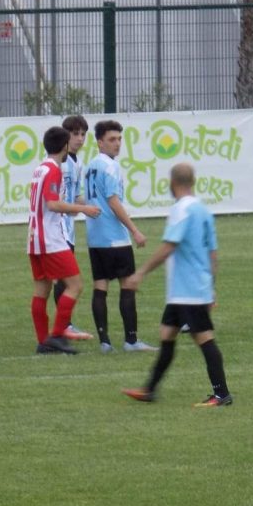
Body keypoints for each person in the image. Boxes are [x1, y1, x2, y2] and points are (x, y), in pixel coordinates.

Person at [122, 162, 232, 408]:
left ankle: (222, 394)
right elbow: (212, 253)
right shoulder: (203, 211)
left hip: (188, 290)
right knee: (167, 334)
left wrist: (140, 273)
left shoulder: (180, 209)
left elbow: (169, 246)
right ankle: (150, 389)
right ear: (193, 182)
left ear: (172, 184)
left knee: (204, 339)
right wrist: (211, 285)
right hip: (188, 290)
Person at [28, 126, 102, 355]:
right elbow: (53, 204)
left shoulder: (40, 168)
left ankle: (43, 342)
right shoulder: (54, 170)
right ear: (65, 146)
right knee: (76, 285)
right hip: (51, 239)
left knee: (42, 289)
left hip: (34, 239)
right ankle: (58, 335)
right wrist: (83, 208)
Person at [83, 119, 154, 353]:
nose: (117, 144)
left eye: (120, 139)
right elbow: (113, 201)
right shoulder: (110, 167)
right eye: (112, 139)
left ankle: (105, 342)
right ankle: (131, 341)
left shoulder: (91, 165)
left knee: (100, 286)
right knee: (128, 285)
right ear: (100, 142)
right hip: (114, 237)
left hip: (95, 237)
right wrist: (134, 229)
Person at [54, 114, 94, 342]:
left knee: (61, 281)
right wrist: (79, 209)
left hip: (68, 228)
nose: (79, 138)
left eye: (83, 134)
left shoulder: (78, 163)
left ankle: (63, 326)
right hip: (57, 227)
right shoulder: (60, 163)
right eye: (75, 134)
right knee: (67, 280)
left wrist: (93, 206)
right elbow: (57, 200)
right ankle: (63, 327)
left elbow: (75, 196)